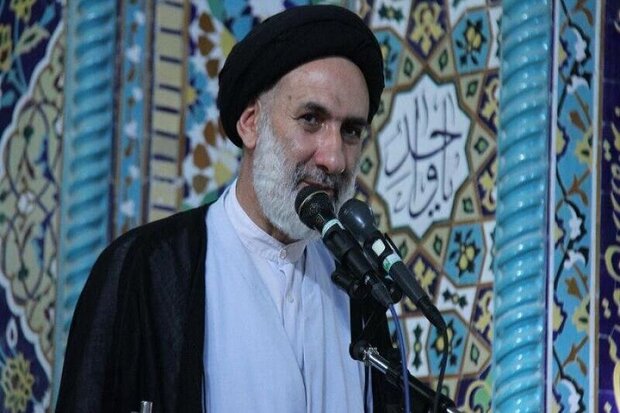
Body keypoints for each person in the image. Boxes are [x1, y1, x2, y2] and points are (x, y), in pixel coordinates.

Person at [56, 5, 400, 412]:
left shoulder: (359, 291)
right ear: (251, 123)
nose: (334, 158)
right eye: (311, 119)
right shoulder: (146, 270)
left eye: (351, 131)